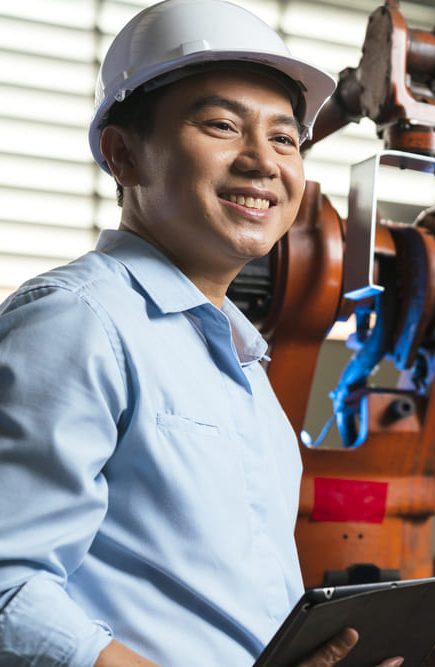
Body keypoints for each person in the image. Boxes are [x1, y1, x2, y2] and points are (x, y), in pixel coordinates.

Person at [0, 1, 401, 665]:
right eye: (221, 125)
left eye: (284, 139)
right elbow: (9, 591)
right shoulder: (78, 322)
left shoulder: (243, 362)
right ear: (123, 155)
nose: (263, 162)